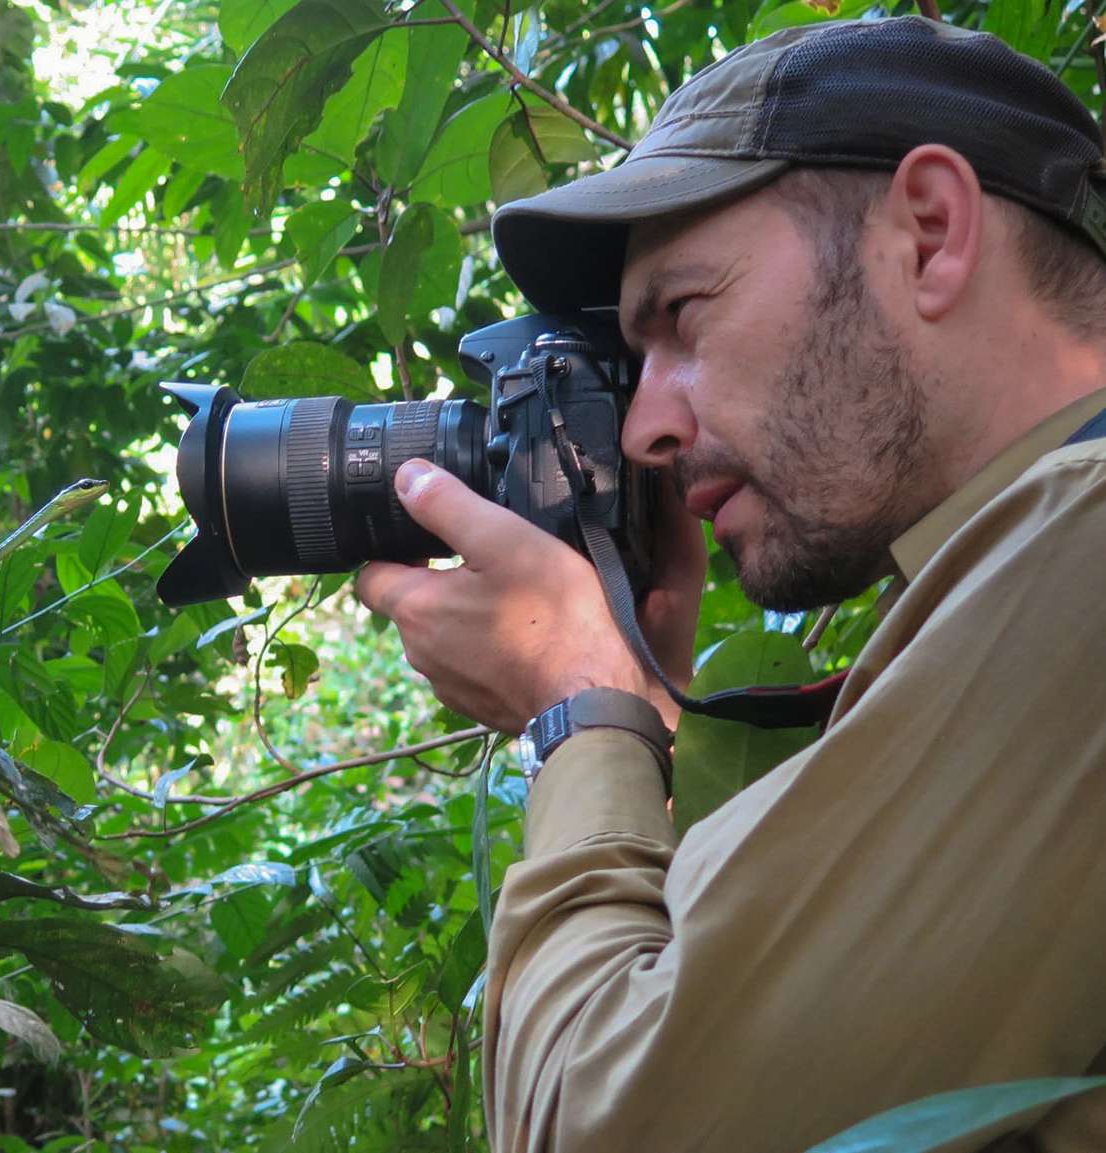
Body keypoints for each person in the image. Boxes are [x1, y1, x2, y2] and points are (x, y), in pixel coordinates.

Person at [354, 16, 1106, 1152]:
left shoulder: (1081, 542)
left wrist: (581, 713)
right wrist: (646, 710)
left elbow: (604, 1126)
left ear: (929, 233)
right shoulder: (1029, 570)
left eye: (684, 315)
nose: (649, 423)